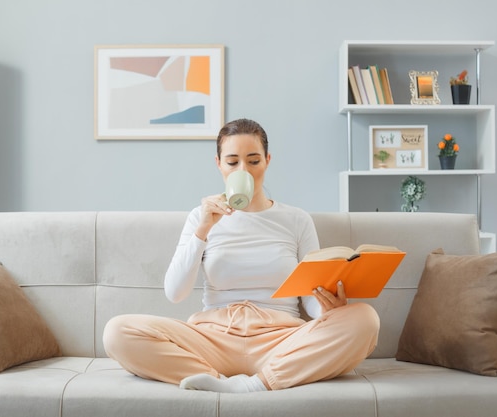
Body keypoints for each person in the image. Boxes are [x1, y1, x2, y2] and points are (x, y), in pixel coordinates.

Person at [103, 118, 379, 392]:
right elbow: (175, 293)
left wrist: (329, 310)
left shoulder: (296, 220)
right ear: (219, 164)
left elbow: (310, 298)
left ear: (268, 160)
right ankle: (220, 380)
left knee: (365, 319)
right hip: (213, 338)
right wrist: (203, 230)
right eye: (233, 162)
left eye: (254, 161)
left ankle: (257, 384)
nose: (243, 170)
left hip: (280, 339)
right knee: (117, 332)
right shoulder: (200, 218)